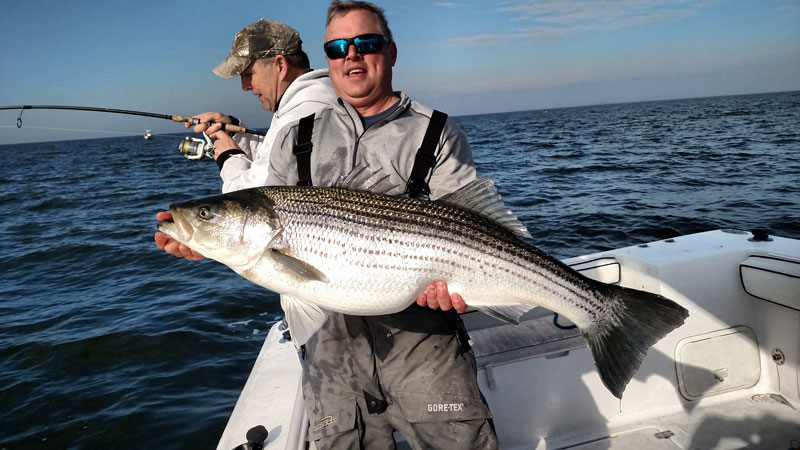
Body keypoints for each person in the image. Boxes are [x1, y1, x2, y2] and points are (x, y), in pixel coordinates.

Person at [265, 2, 498, 449]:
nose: (351, 56)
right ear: (328, 59)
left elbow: (476, 225)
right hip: (331, 356)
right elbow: (259, 235)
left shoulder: (436, 131)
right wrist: (203, 240)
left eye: (365, 43)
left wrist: (452, 287)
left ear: (390, 52)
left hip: (424, 343)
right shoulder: (295, 136)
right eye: (336, 48)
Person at [154, 19, 336, 259]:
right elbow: (288, 164)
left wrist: (229, 156)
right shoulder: (317, 100)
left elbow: (255, 205)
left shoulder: (302, 114)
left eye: (249, 74)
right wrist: (236, 133)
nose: (245, 86)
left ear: (280, 65)